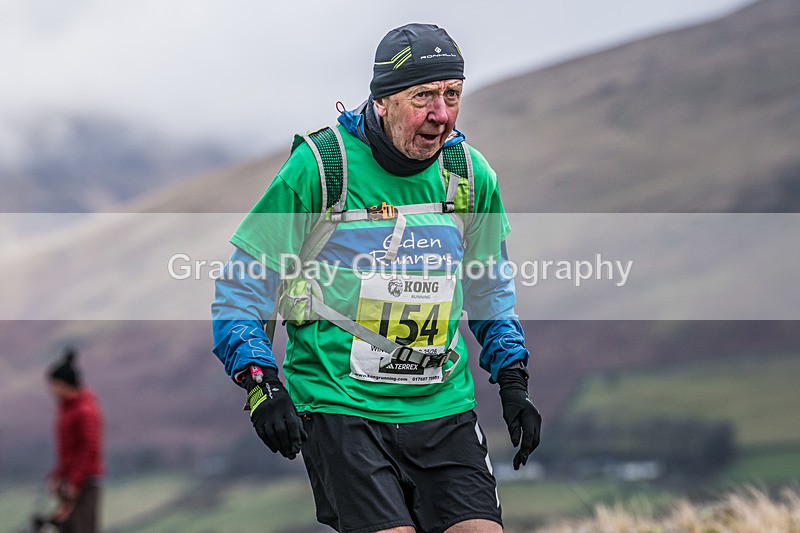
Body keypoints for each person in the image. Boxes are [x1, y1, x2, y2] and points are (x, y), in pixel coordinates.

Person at [212, 23, 541, 532]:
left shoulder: (471, 176)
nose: (441, 114)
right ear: (383, 101)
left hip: (441, 403)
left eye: (452, 95)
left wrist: (514, 380)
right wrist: (260, 383)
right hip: (341, 405)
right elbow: (245, 285)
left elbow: (489, 288)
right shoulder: (322, 168)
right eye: (424, 97)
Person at [46, 348, 104, 533]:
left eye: (53, 385)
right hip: (71, 481)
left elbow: (89, 449)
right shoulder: (67, 410)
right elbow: (68, 452)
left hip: (85, 482)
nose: (50, 390)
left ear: (64, 385)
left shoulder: (85, 412)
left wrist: (74, 480)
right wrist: (58, 475)